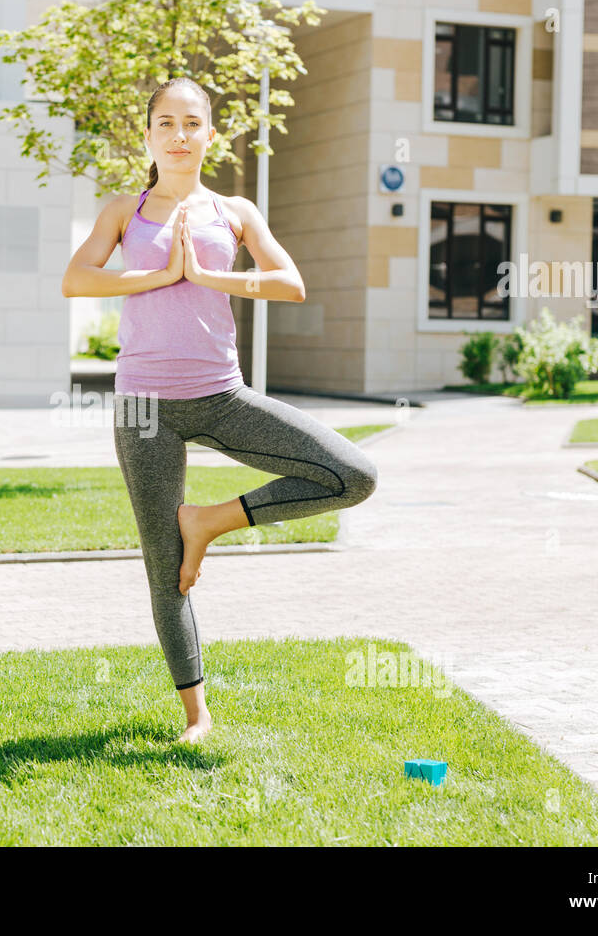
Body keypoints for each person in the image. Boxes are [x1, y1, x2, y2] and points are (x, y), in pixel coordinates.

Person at [61, 77, 379, 744]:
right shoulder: (124, 210)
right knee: (162, 563)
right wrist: (155, 277)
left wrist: (208, 277)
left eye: (191, 123)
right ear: (147, 135)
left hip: (221, 395)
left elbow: (288, 281)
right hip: (146, 407)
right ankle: (196, 714)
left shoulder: (235, 211)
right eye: (165, 123)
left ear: (211, 134)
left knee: (354, 474)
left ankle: (210, 521)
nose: (178, 134)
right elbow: (77, 277)